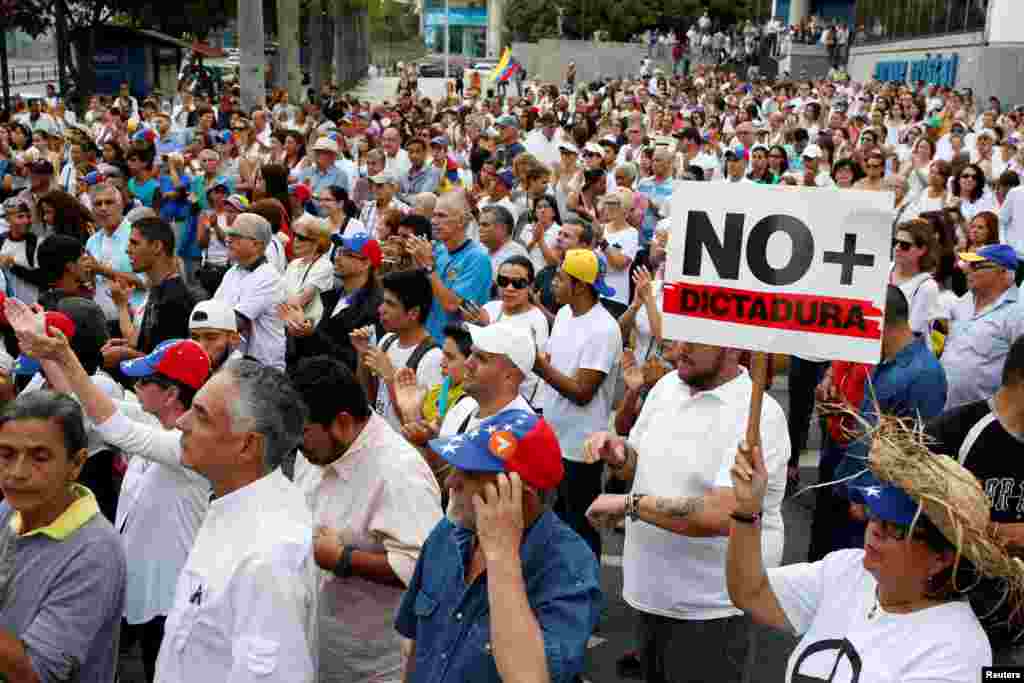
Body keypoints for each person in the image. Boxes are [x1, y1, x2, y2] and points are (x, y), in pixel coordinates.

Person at [726, 415, 1007, 683]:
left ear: (941, 559)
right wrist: (746, 510)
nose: (874, 530)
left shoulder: (955, 650)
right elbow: (751, 592)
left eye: (894, 528)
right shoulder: (847, 570)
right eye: (874, 516)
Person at [583, 336, 789, 683]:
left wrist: (631, 505)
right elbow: (638, 464)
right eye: (677, 338)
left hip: (711, 608)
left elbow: (723, 513)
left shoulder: (760, 414)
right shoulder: (667, 387)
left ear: (732, 345)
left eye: (692, 341)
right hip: (650, 597)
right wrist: (619, 454)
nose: (678, 350)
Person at [395, 409, 602, 683]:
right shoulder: (447, 535)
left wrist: (502, 556)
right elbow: (417, 647)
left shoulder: (568, 565)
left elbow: (531, 677)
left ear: (520, 497)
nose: (450, 482)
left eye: (468, 474)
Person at [291, 356, 442, 683]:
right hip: (319, 646)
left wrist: (344, 559)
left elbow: (425, 568)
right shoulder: (317, 452)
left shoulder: (397, 473)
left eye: (303, 432)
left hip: (372, 664)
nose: (297, 443)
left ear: (342, 423)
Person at [0, 391, 127, 683]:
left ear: (77, 463)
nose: (17, 473)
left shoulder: (95, 553)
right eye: (6, 454)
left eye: (39, 457)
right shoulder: (11, 508)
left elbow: (36, 673)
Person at [534, 249, 622, 558]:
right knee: (556, 522)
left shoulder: (604, 329)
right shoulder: (563, 316)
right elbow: (554, 363)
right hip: (554, 438)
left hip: (581, 447)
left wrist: (538, 366)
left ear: (581, 285)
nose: (553, 284)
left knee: (581, 528)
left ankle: (587, 596)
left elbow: (583, 392)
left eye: (560, 278)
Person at [352, 268, 443, 433]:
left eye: (391, 304)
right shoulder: (387, 340)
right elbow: (369, 400)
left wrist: (389, 377)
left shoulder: (433, 358)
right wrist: (362, 354)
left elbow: (423, 429)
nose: (381, 310)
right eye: (383, 301)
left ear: (413, 313)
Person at [942, 244, 1024, 408]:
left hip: (982, 418)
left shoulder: (1017, 315)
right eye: (968, 265)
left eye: (976, 266)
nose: (967, 270)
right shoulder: (963, 302)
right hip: (942, 407)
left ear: (1004, 273)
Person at [408, 192, 492, 343]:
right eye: (433, 215)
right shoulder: (439, 250)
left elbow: (452, 305)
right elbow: (422, 292)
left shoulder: (478, 258)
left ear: (460, 221)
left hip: (456, 348)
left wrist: (428, 267)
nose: (433, 221)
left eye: (441, 216)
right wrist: (416, 259)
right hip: (428, 339)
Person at [214, 213, 287, 370]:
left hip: (264, 370)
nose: (228, 240)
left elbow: (235, 322)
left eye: (236, 237)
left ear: (256, 245)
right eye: (229, 235)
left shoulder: (268, 277)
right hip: (237, 366)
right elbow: (215, 310)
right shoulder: (233, 271)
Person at [889, 219, 941, 340]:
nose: (897, 248)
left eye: (905, 245)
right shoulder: (882, 269)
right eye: (895, 242)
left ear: (922, 250)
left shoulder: (927, 287)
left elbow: (912, 332)